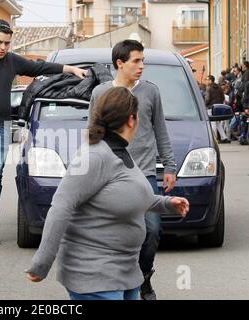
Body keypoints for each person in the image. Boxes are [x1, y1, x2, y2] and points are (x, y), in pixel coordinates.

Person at [25, 87, 189, 300]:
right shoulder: (93, 156)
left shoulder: (119, 151)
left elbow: (127, 195)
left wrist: (167, 203)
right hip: (94, 275)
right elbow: (61, 206)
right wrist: (41, 263)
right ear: (132, 120)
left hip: (126, 272)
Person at [0, 19, 87, 245]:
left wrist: (70, 69)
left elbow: (38, 68)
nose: (3, 47)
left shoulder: (10, 61)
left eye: (7, 43)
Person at [87, 40, 177, 300]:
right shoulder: (100, 93)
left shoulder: (150, 92)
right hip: (109, 174)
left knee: (151, 229)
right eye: (136, 61)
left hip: (145, 173)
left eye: (142, 60)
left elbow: (160, 130)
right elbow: (93, 133)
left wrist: (169, 165)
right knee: (112, 230)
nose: (142, 66)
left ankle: (143, 277)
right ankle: (118, 282)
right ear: (120, 63)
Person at [205, 75, 229, 143]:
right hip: (218, 107)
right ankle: (224, 137)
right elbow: (223, 98)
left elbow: (207, 99)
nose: (206, 81)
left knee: (213, 123)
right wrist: (219, 104)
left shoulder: (209, 88)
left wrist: (205, 105)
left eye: (207, 80)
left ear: (210, 80)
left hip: (210, 107)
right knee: (218, 123)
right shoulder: (219, 87)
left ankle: (214, 139)